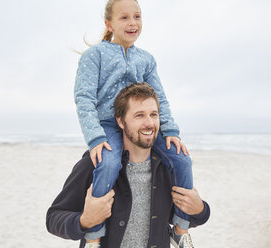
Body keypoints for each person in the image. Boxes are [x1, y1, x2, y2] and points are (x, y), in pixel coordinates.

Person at [74, 0, 195, 245]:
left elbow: (159, 97)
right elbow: (84, 97)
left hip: (141, 123)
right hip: (107, 125)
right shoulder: (94, 55)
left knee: (181, 158)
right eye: (125, 18)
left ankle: (181, 230)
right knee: (107, 164)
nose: (132, 23)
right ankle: (94, 237)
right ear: (109, 23)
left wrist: (170, 130)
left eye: (137, 17)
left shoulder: (147, 60)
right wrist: (95, 137)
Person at [47, 83, 210, 247]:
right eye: (139, 115)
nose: (149, 123)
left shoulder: (167, 166)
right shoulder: (97, 163)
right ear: (121, 121)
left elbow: (181, 216)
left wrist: (200, 209)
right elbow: (53, 218)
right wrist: (84, 221)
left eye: (154, 114)